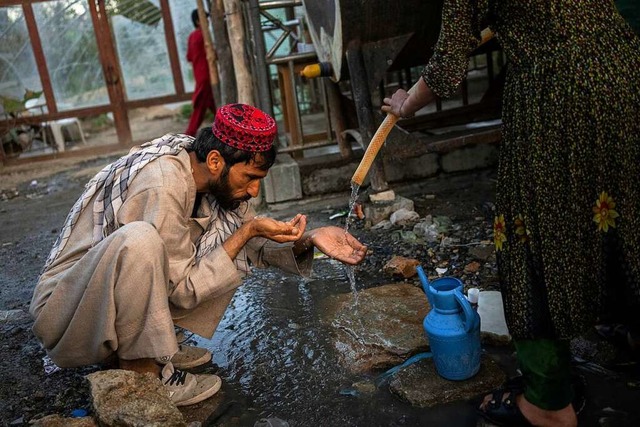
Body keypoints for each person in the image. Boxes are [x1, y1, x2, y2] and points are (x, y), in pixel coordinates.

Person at [382, 1, 640, 426]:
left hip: (559, 97)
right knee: (625, 216)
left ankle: (549, 402)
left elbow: (447, 66)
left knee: (528, 236)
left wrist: (407, 103)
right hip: (624, 70)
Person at [30, 103, 367, 407]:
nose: (254, 190)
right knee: (141, 241)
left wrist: (310, 238)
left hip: (97, 303)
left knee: (219, 242)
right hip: (66, 315)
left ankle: (150, 350)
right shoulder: (163, 185)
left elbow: (254, 246)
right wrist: (247, 232)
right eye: (250, 177)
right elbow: (183, 286)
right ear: (216, 160)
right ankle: (143, 370)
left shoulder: (210, 179)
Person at [185, 9, 217, 137]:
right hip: (207, 76)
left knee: (212, 105)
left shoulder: (192, 36)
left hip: (200, 76)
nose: (208, 21)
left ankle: (227, 128)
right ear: (198, 21)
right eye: (205, 18)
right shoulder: (204, 35)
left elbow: (189, 57)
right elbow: (213, 54)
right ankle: (188, 135)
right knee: (200, 109)